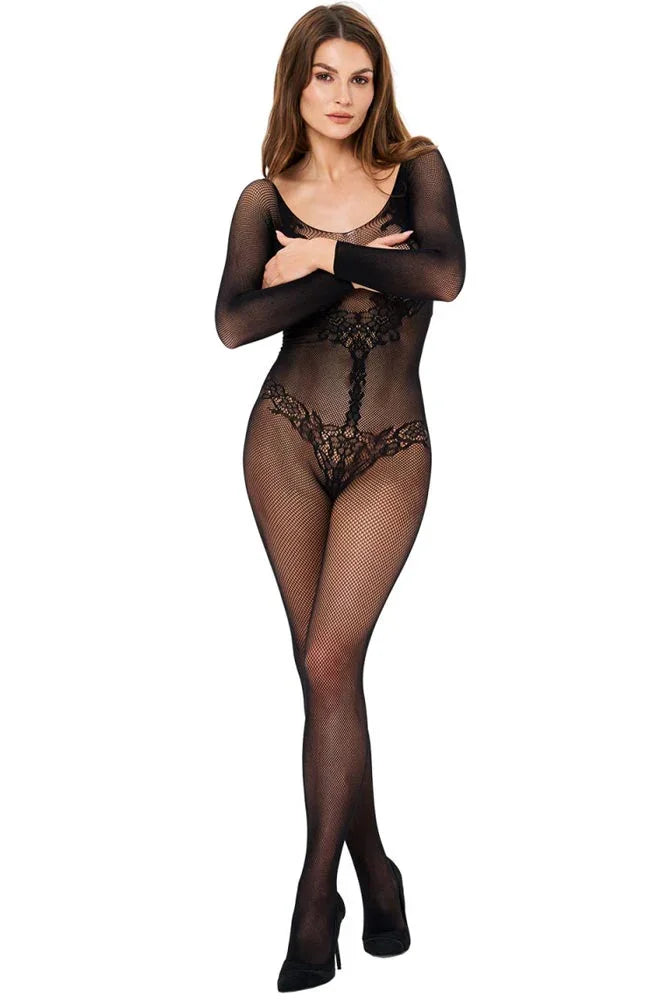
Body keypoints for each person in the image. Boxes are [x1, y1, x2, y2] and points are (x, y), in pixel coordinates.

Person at [214, 4, 465, 992]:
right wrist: (354, 269)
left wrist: (320, 257)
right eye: (324, 75)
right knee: (325, 672)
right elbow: (235, 324)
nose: (342, 95)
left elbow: (441, 274)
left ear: (378, 87)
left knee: (327, 660)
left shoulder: (419, 169)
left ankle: (318, 893)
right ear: (296, 82)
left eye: (359, 77)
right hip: (285, 437)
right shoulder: (261, 197)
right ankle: (374, 874)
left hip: (389, 449)